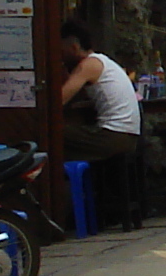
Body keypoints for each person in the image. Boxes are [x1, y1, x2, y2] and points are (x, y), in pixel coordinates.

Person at [57, 20, 145, 228]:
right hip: (127, 135)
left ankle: (62, 212)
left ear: (73, 47)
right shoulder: (104, 61)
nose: (60, 56)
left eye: (61, 50)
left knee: (52, 137)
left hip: (114, 137)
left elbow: (59, 99)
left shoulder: (88, 65)